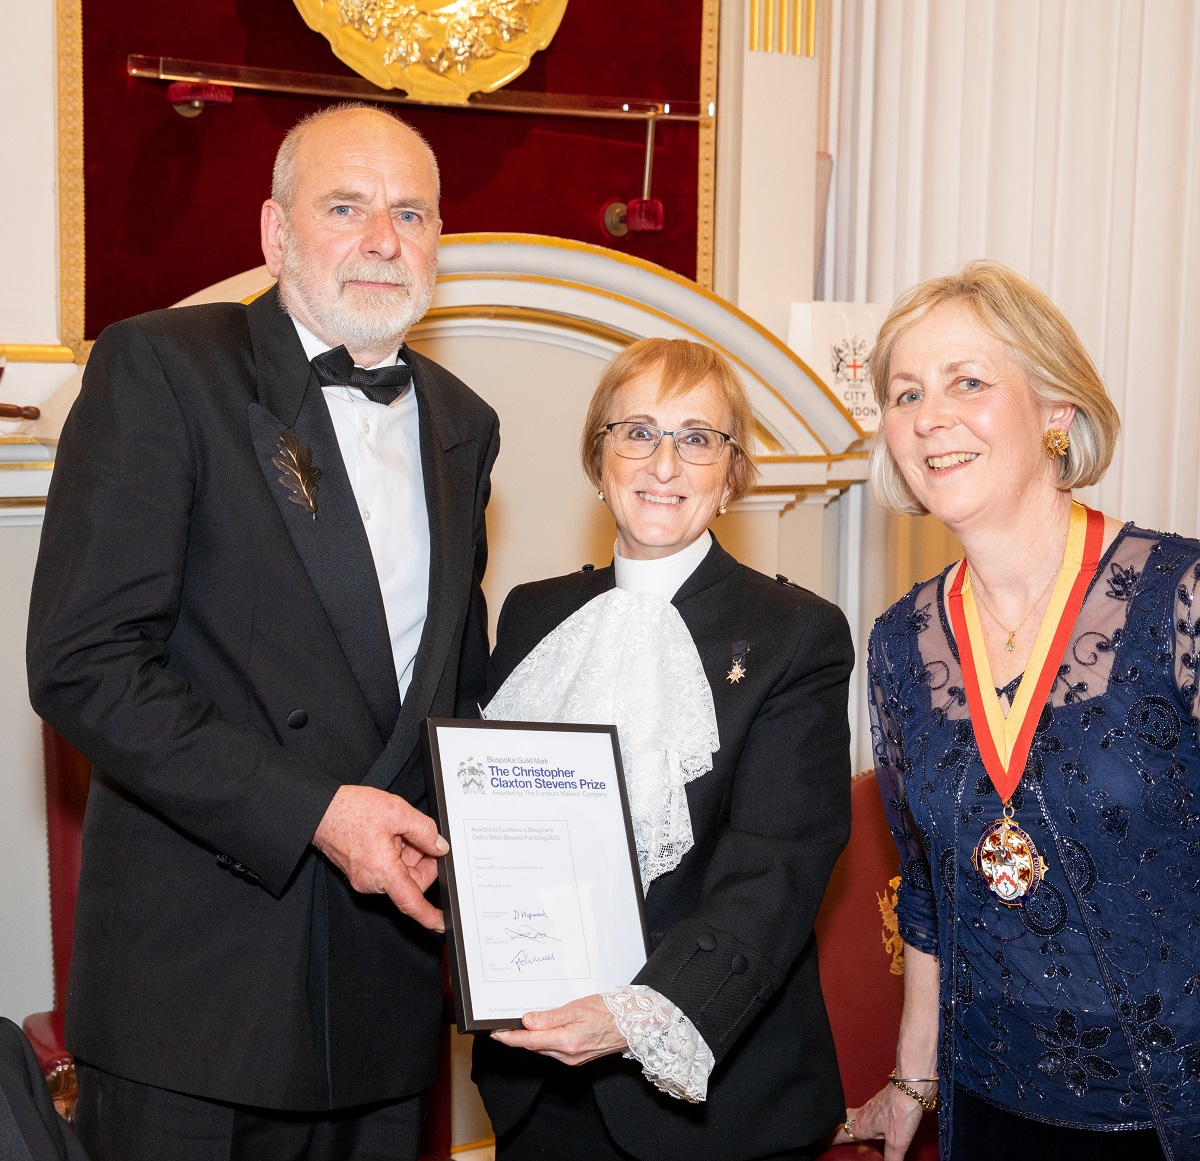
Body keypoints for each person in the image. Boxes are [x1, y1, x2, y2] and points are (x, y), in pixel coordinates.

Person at [26, 103, 500, 1161]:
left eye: (411, 213)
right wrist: (314, 812)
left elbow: (448, 687)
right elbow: (84, 663)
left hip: (383, 990)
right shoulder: (162, 366)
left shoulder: (464, 422)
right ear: (275, 233)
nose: (383, 239)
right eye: (346, 207)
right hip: (198, 991)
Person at [835, 260, 1199, 1160]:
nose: (930, 415)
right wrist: (912, 1077)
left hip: (1170, 1106)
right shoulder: (900, 641)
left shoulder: (1180, 596)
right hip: (988, 1100)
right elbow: (926, 892)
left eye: (967, 381)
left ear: (1054, 411)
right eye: (907, 392)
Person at [472, 337, 855, 1161]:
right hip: (539, 1087)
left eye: (697, 438)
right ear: (599, 457)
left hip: (716, 1103)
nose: (664, 463)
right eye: (638, 431)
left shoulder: (797, 634)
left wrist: (637, 1016)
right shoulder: (531, 613)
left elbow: (777, 864)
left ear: (732, 474)